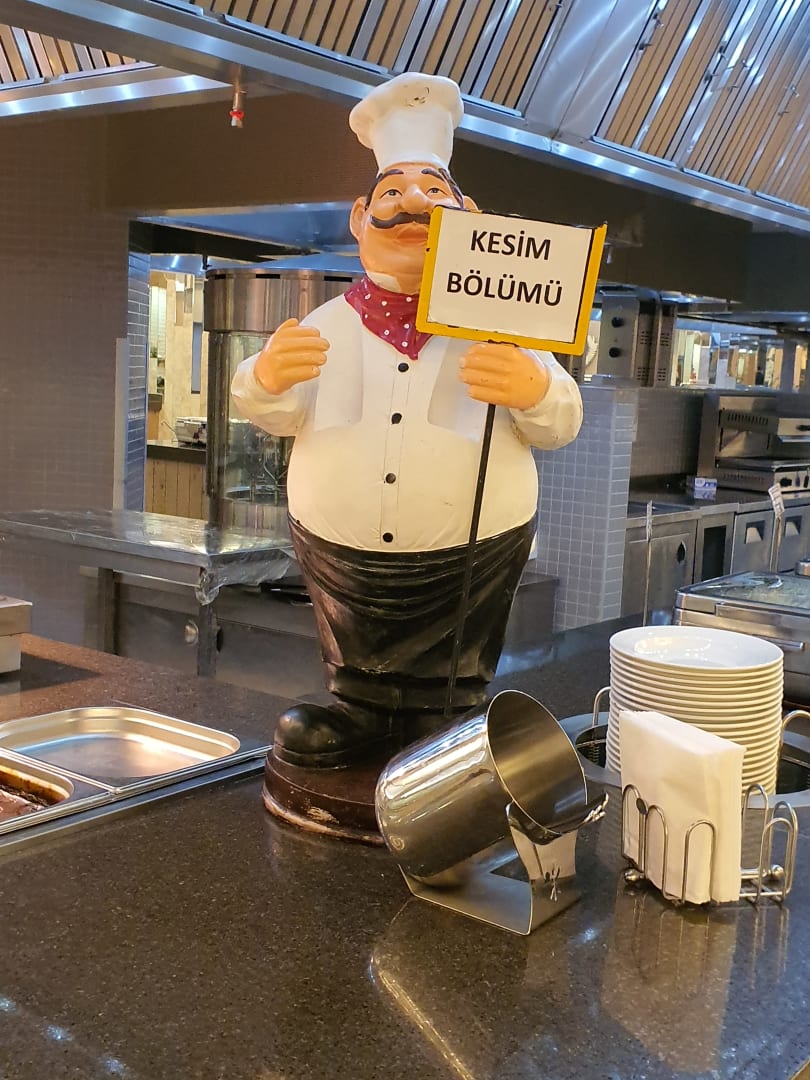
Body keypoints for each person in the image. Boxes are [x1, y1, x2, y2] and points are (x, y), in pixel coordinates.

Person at [232, 72, 583, 768]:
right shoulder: (326, 324)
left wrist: (535, 387)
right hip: (341, 556)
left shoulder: (502, 324)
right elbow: (271, 408)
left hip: (472, 556)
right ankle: (356, 710)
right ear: (359, 217)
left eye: (432, 190)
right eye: (392, 192)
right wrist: (265, 378)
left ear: (470, 215)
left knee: (455, 657)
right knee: (355, 643)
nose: (412, 204)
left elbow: (560, 420)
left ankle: (448, 717)